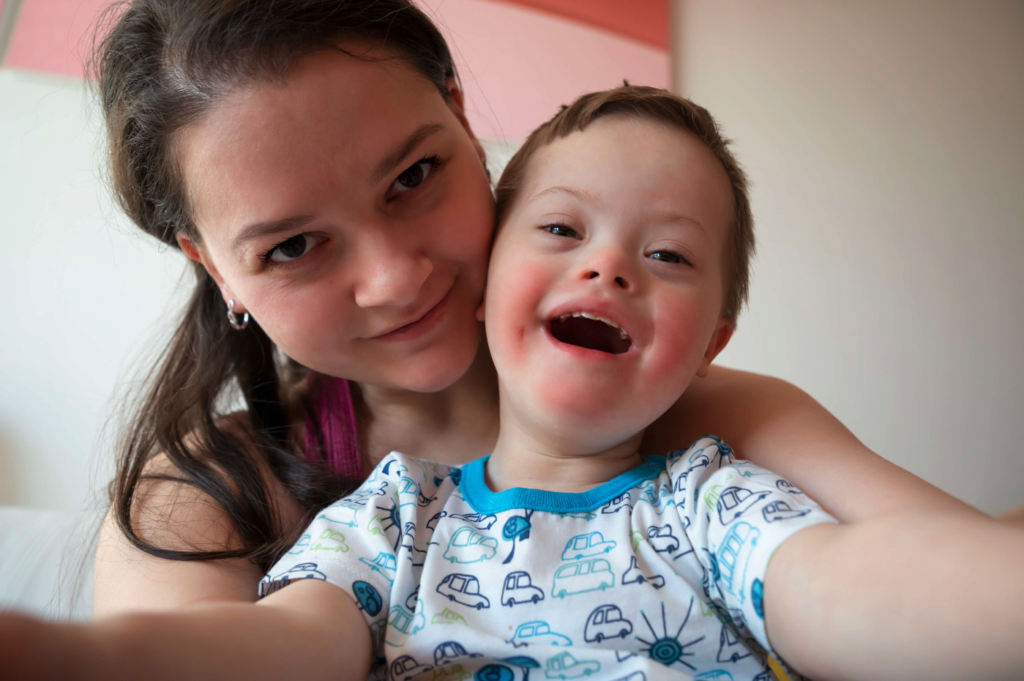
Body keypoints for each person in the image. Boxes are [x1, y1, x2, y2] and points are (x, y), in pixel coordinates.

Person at [5, 83, 1018, 681]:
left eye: (667, 256)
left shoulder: (712, 498)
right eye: (562, 230)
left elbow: (860, 586)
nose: (608, 268)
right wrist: (79, 659)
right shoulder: (389, 521)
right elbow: (280, 648)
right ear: (492, 287)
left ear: (710, 342)